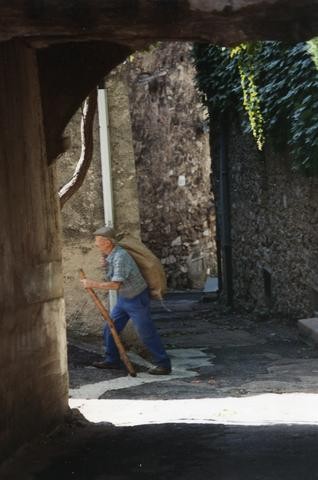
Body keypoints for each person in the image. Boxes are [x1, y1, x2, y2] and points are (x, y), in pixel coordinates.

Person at [80, 226, 171, 375]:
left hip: (136, 298)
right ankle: (112, 360)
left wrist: (92, 284)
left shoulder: (120, 257)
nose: (95, 244)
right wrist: (105, 264)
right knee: (110, 328)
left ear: (107, 242)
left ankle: (164, 364)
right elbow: (114, 275)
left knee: (145, 333)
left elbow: (115, 285)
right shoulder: (111, 255)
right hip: (125, 298)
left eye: (97, 241)